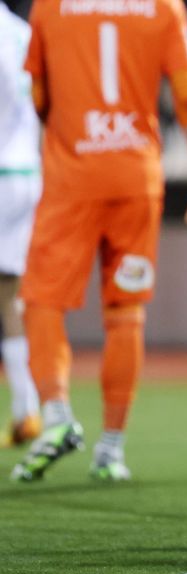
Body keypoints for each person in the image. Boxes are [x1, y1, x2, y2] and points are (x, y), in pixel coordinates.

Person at [12, 0, 187, 482]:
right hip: (135, 177)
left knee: (41, 299)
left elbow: (39, 94)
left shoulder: (50, 5)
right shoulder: (164, 7)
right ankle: (110, 450)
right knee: (126, 312)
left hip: (71, 178)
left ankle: (56, 415)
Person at [0, 0, 41, 448]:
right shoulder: (22, 32)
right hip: (27, 170)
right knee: (10, 295)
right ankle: (25, 408)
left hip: (1, 172)